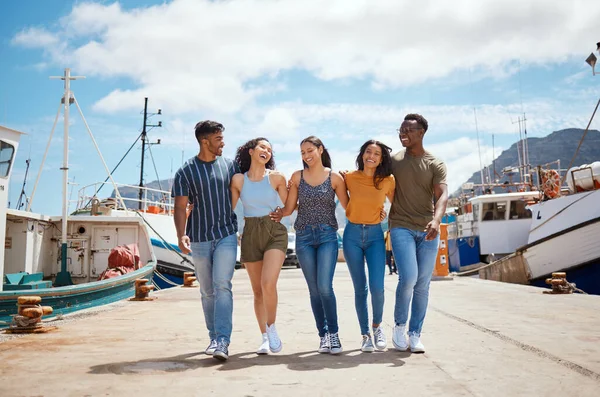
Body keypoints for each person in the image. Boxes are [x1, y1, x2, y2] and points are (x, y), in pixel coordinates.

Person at [172, 120, 240, 361]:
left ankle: (223, 340)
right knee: (207, 290)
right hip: (199, 238)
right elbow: (180, 207)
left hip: (226, 234)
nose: (223, 143)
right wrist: (181, 234)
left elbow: (249, 185)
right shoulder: (186, 171)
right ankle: (213, 337)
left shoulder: (230, 166)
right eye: (219, 139)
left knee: (223, 285)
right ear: (205, 141)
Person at [280, 136, 349, 354]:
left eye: (309, 150)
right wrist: (278, 188)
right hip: (304, 237)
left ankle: (334, 334)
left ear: (320, 150)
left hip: (328, 235)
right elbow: (289, 209)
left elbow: (349, 206)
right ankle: (323, 335)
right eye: (302, 152)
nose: (306, 156)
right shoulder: (297, 177)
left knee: (325, 287)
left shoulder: (335, 177)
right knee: (314, 290)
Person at [389, 114, 448, 354]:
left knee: (423, 284)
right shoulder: (393, 160)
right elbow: (371, 173)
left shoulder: (435, 163)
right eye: (401, 129)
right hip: (400, 225)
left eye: (408, 130)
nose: (403, 133)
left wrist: (436, 220)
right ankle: (399, 326)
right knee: (409, 278)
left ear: (421, 132)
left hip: (427, 229)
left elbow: (442, 195)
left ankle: (415, 334)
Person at [230, 138, 288, 355]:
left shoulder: (276, 177)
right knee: (257, 291)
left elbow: (290, 205)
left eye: (270, 149)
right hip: (250, 233)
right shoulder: (238, 180)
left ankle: (272, 328)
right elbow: (228, 208)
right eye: (263, 147)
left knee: (268, 283)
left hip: (274, 230)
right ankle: (264, 336)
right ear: (251, 151)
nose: (267, 151)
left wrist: (283, 212)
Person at [342, 140, 395, 352]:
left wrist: (385, 214)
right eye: (368, 152)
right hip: (352, 235)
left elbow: (397, 204)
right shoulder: (349, 177)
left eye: (376, 153)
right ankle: (365, 335)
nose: (371, 156)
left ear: (382, 158)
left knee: (377, 287)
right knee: (360, 289)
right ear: (362, 154)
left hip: (374, 235)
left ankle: (377, 327)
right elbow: (341, 198)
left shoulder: (388, 180)